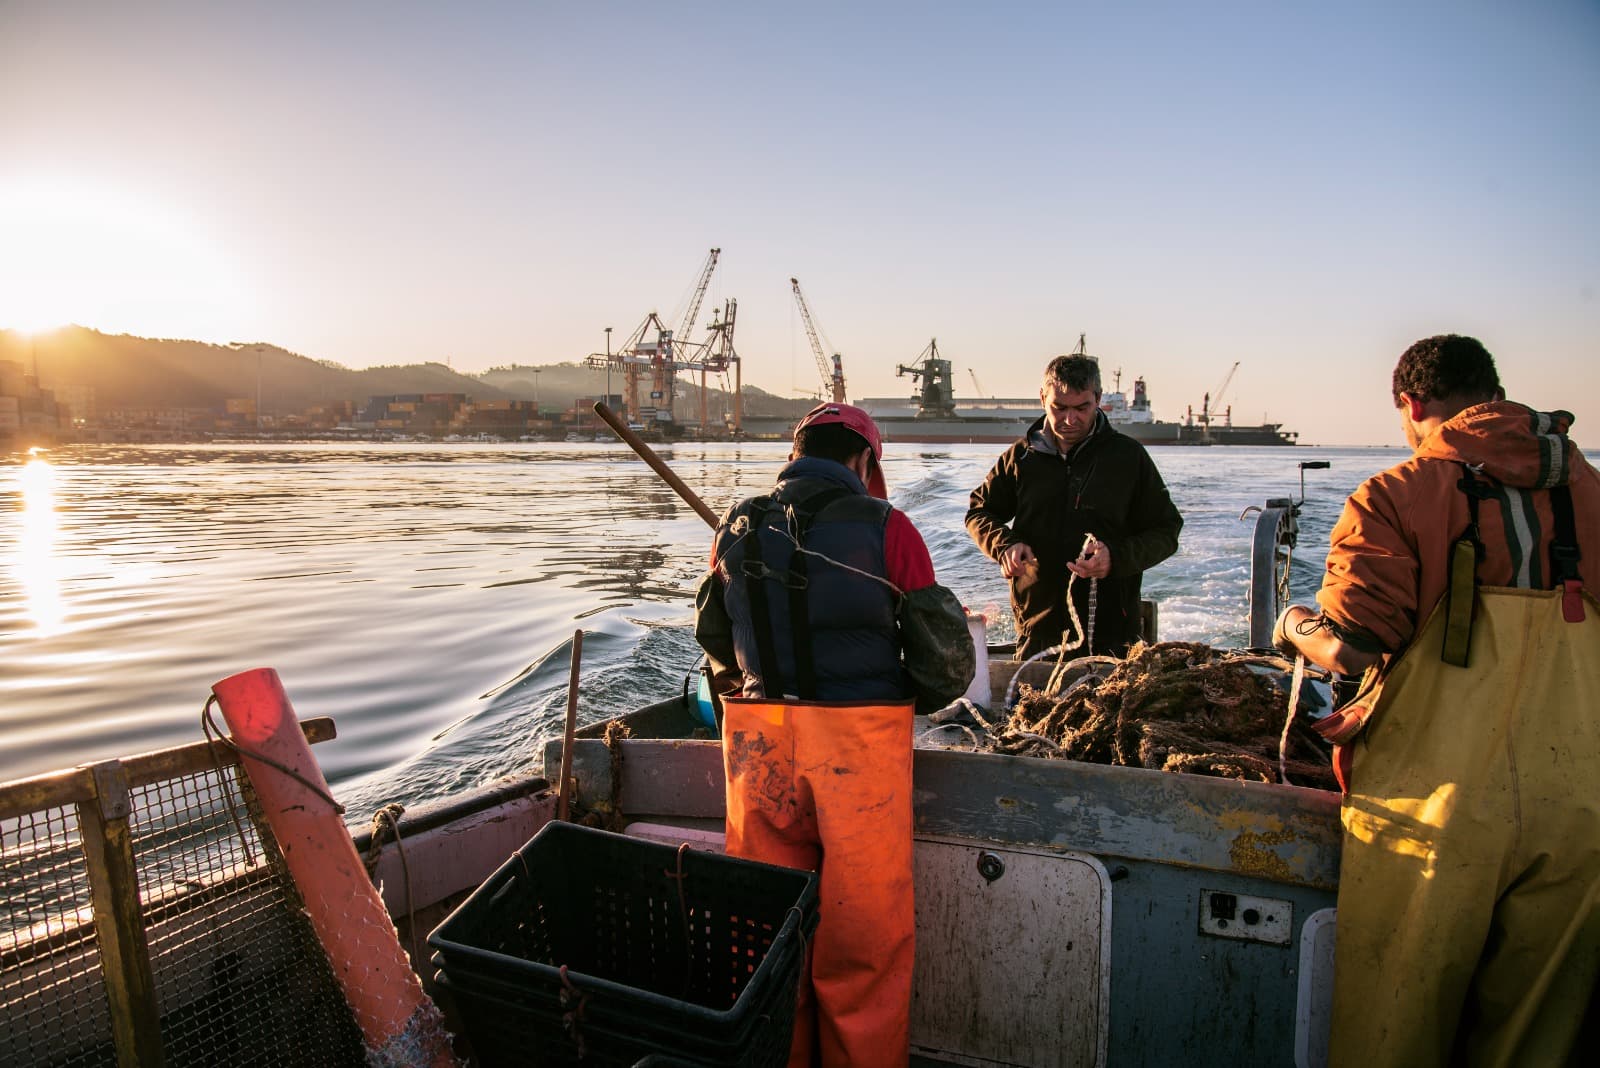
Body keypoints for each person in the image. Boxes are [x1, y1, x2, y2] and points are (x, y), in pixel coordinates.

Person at [1271, 335, 1599, 1067]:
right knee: (1537, 1042)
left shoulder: (1395, 494)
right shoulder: (1592, 491)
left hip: (1436, 814)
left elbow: (1352, 648)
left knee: (1394, 1032)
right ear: (1494, 393)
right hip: (1583, 811)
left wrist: (1291, 624)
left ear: (1412, 403)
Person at [693, 401, 974, 1068]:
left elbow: (713, 639)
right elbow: (946, 666)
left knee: (764, 940)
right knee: (863, 951)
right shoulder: (890, 528)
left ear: (795, 454)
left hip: (759, 752)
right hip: (859, 759)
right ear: (865, 460)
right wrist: (900, 692)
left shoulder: (735, 526)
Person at [965, 352, 1182, 658]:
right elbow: (979, 512)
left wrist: (1115, 558)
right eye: (1060, 407)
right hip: (1037, 629)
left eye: (1082, 408)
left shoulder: (1129, 458)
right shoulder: (1020, 458)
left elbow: (1167, 530)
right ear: (1043, 399)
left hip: (1113, 635)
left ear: (1098, 399)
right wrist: (1004, 546)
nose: (1070, 420)